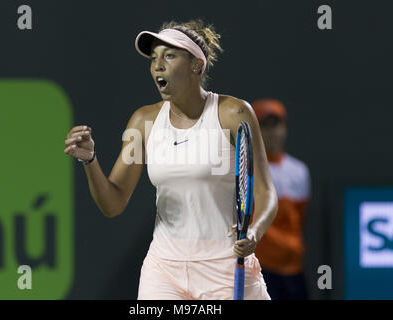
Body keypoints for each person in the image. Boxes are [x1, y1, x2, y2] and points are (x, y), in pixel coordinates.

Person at [64, 19, 278, 300]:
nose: (158, 66)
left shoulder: (234, 113)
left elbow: (265, 192)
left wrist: (254, 232)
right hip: (164, 269)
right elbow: (113, 204)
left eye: (169, 56)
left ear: (196, 65)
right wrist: (90, 160)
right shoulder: (143, 121)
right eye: (154, 59)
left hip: (225, 266)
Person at [251, 98, 311, 299]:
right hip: (261, 270)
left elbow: (298, 220)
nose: (272, 132)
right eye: (265, 126)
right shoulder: (246, 171)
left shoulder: (300, 171)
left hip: (294, 270)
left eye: (276, 125)